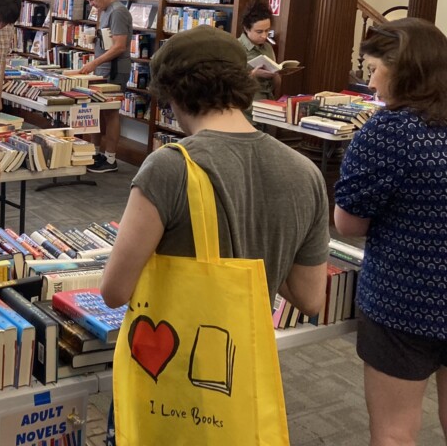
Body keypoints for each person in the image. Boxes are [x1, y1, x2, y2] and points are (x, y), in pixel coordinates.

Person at [100, 24, 329, 314]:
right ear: (245, 81)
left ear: (172, 94)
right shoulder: (306, 172)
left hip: (178, 350)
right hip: (249, 351)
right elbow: (310, 299)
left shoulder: (170, 166)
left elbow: (114, 292)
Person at [334, 18, 447, 446]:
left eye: (373, 69)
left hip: (405, 301)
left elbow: (348, 223)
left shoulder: (389, 131)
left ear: (401, 68)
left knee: (395, 431)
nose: (371, 83)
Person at [78, 0, 132, 173]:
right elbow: (110, 40)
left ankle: (110, 158)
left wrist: (95, 62)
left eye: (93, 0)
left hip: (115, 69)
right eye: (89, 1)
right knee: (97, 110)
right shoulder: (105, 11)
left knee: (110, 112)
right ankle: (96, 152)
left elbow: (119, 47)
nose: (92, 5)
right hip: (104, 68)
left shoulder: (118, 12)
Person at [239, 0, 280, 101]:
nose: (264, 36)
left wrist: (275, 74)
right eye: (259, 31)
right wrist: (253, 74)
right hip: (247, 105)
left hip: (268, 103)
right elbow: (229, 84)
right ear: (246, 28)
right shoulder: (236, 47)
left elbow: (277, 85)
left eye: (267, 31)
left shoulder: (268, 47)